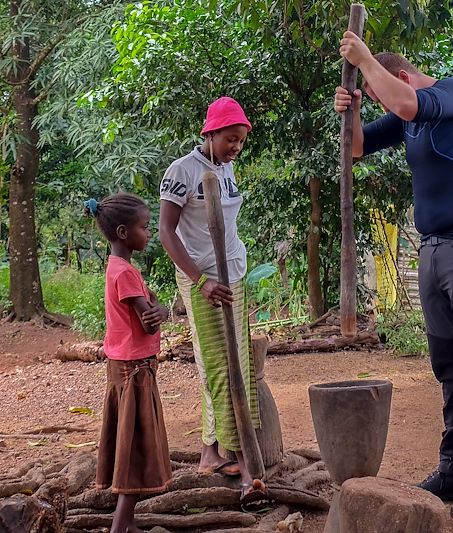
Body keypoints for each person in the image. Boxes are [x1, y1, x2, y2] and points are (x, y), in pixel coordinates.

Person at [334, 34, 453, 524]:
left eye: (380, 88)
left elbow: (405, 103)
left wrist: (365, 61)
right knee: (447, 366)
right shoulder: (405, 118)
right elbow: (356, 148)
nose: (381, 102)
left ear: (403, 76)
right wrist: (349, 110)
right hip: (434, 251)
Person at [158, 96, 265, 502]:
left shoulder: (228, 169)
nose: (235, 147)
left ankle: (211, 452)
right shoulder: (181, 172)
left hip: (233, 275)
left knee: (237, 362)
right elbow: (167, 233)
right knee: (220, 367)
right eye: (230, 140)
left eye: (240, 141)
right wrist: (199, 280)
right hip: (203, 280)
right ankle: (240, 457)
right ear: (210, 133)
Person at [87, 193, 172, 533]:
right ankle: (120, 527)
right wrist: (164, 310)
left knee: (133, 443)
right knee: (136, 448)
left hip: (126, 369)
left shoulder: (118, 268)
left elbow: (144, 309)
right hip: (134, 372)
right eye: (144, 227)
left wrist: (155, 304)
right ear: (123, 232)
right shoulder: (125, 273)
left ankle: (127, 524)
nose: (149, 233)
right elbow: (149, 318)